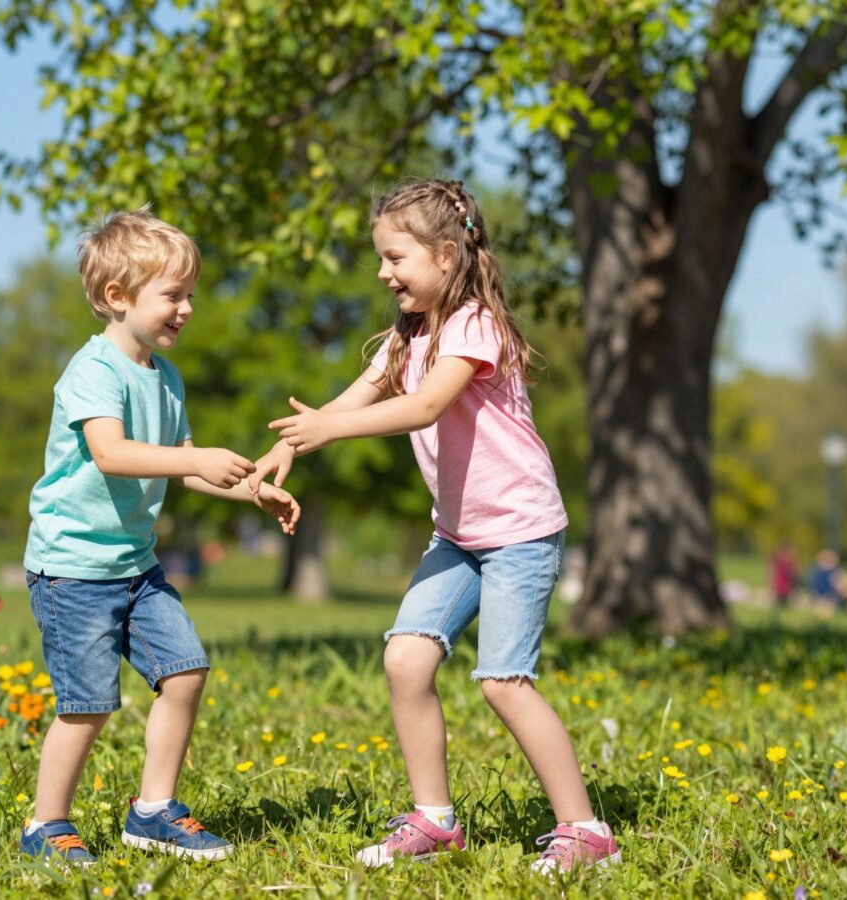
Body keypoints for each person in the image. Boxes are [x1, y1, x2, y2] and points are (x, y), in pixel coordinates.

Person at [250, 179, 619, 874]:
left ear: (446, 256)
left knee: (503, 681)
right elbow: (356, 396)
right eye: (381, 259)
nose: (384, 273)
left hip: (519, 531)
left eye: (396, 258)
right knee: (405, 659)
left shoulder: (472, 324)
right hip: (458, 536)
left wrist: (328, 429)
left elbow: (422, 409)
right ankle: (434, 820)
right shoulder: (408, 333)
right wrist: (293, 443)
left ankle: (585, 830)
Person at [20, 208, 301, 864]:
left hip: (135, 568)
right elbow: (113, 455)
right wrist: (194, 461)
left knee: (185, 672)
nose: (187, 308)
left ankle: (152, 811)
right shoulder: (93, 372)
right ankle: (46, 825)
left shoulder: (165, 378)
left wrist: (254, 488)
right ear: (117, 298)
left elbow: (190, 464)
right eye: (173, 295)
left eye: (190, 295)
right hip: (73, 569)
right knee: (87, 707)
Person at [769, 541, 800, 607]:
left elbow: (795, 575)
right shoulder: (781, 560)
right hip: (781, 587)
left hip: (786, 588)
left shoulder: (789, 561)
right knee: (780, 601)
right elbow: (773, 573)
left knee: (783, 603)